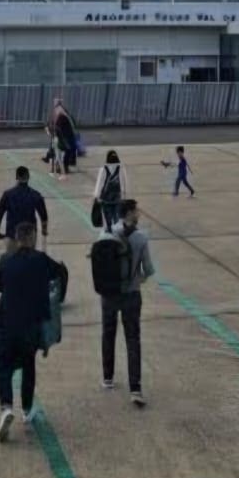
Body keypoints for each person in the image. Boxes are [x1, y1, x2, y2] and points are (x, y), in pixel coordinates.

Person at [0, 221, 65, 440]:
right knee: (28, 365)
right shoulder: (41, 260)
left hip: (6, 323)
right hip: (31, 326)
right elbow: (59, 272)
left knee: (3, 366)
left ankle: (6, 407)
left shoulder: (6, 260)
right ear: (32, 237)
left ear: (16, 238)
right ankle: (27, 409)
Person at [100, 199, 154, 407]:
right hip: (131, 294)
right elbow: (148, 269)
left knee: (108, 333)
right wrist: (135, 279)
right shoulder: (141, 238)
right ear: (130, 213)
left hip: (109, 294)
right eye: (136, 210)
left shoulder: (106, 234)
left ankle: (108, 377)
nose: (138, 213)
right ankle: (135, 388)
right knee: (133, 339)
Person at [0, 166, 50, 254]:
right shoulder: (35, 195)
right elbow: (44, 216)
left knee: (12, 263)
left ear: (16, 178)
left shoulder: (8, 195)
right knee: (28, 263)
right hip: (29, 235)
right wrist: (44, 230)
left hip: (12, 234)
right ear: (28, 177)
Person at [93, 150, 130, 232]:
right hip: (118, 197)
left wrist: (97, 196)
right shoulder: (120, 168)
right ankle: (116, 230)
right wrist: (125, 196)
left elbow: (100, 183)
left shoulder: (103, 169)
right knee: (117, 216)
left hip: (106, 198)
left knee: (107, 216)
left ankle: (109, 230)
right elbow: (125, 182)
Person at [50, 98, 78, 176]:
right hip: (63, 137)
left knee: (60, 153)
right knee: (63, 152)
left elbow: (55, 126)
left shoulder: (60, 114)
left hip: (63, 136)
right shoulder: (61, 114)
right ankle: (62, 168)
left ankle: (60, 168)